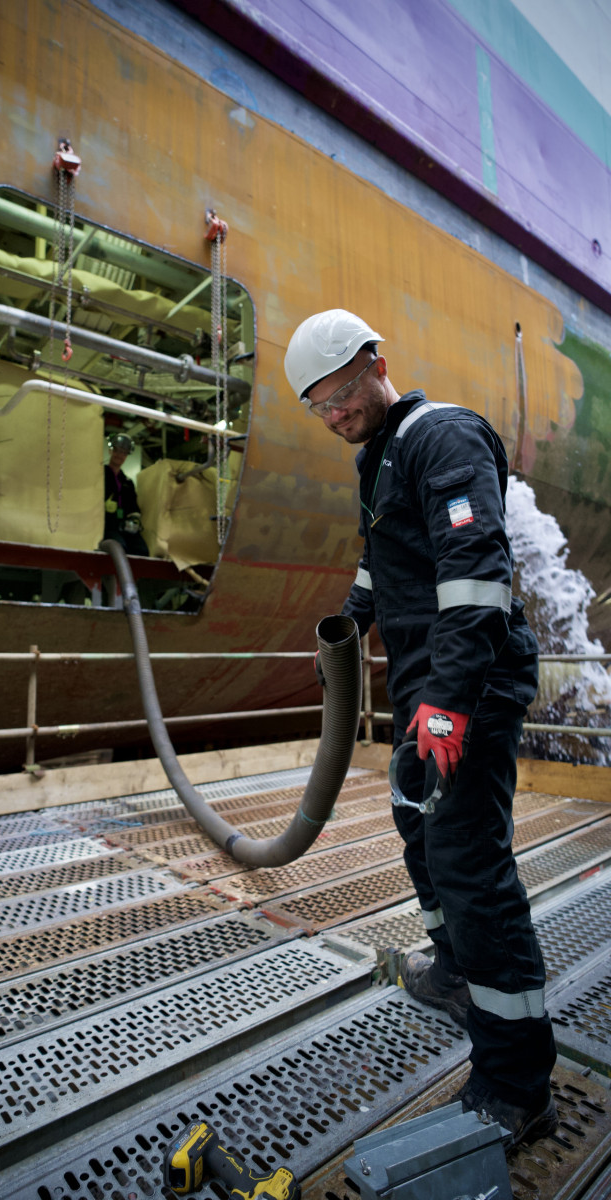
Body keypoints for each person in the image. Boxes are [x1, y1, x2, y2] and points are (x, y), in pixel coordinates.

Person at [284, 309, 557, 1147]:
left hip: (467, 687)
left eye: (338, 397)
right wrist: (352, 616)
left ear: (374, 364)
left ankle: (516, 1082)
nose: (333, 418)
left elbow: (477, 577)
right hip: (425, 687)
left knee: (469, 861)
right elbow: (389, 556)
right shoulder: (380, 460)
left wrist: (446, 705)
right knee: (417, 827)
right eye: (316, 409)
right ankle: (453, 970)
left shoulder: (443, 438)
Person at [103, 433, 149, 556]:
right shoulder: (100, 475)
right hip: (106, 525)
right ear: (110, 451)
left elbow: (133, 505)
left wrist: (134, 520)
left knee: (142, 550)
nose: (120, 455)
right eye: (117, 450)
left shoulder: (127, 482)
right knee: (119, 547)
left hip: (123, 526)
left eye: (124, 452)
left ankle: (133, 575)